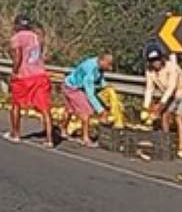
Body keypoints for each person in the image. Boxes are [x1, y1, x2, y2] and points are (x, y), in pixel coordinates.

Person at [143, 46, 182, 152]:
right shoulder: (150, 72)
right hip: (172, 95)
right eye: (152, 61)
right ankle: (166, 141)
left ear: (161, 59)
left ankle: (181, 146)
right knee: (165, 115)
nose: (156, 63)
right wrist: (146, 106)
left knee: (179, 117)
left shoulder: (171, 67)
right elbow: (149, 88)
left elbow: (171, 87)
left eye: (157, 60)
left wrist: (161, 103)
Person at [9, 16, 53, 146]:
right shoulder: (36, 36)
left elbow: (18, 57)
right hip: (40, 75)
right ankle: (49, 139)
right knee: (45, 108)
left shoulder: (16, 38)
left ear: (16, 26)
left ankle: (15, 134)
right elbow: (40, 54)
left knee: (16, 104)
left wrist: (14, 72)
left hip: (24, 77)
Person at [63, 53, 114, 148]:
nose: (109, 68)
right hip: (74, 88)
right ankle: (85, 139)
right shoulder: (90, 69)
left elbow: (99, 78)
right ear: (102, 61)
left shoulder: (98, 65)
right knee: (86, 112)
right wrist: (100, 110)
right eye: (108, 65)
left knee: (69, 110)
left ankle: (63, 130)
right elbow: (90, 93)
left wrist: (105, 85)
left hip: (70, 84)